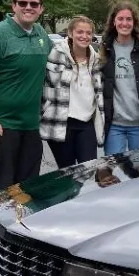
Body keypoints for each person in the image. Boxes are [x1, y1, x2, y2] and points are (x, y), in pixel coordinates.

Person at [0, 0, 53, 193]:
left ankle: (21, 224)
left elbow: (59, 62)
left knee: (28, 184)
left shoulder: (41, 35)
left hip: (30, 123)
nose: (28, 7)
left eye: (34, 4)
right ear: (13, 6)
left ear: (41, 9)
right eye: (23, 3)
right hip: (0, 124)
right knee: (3, 185)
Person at [40, 16, 105, 168]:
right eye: (80, 32)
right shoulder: (55, 54)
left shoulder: (96, 61)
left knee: (88, 171)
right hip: (61, 123)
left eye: (88, 33)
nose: (84, 36)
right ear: (70, 33)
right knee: (67, 172)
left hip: (86, 123)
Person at [100, 1, 139, 155]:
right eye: (120, 19)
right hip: (114, 125)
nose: (124, 23)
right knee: (112, 172)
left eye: (129, 19)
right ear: (113, 22)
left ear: (135, 22)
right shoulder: (105, 49)